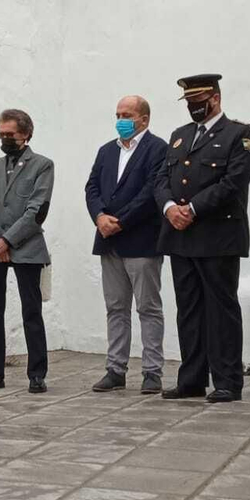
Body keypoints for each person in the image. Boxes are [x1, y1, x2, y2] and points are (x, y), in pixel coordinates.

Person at [154, 74, 250, 403]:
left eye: (198, 102)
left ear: (215, 98)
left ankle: (227, 380)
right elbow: (161, 179)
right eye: (189, 103)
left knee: (221, 309)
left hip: (217, 235)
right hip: (180, 237)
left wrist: (193, 209)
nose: (193, 108)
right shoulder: (179, 136)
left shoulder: (239, 134)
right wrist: (170, 208)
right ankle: (192, 379)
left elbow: (233, 182)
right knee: (189, 309)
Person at [84, 95, 168, 394]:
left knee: (148, 308)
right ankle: (115, 368)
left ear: (143, 119)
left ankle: (152, 371)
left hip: (142, 240)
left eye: (127, 114)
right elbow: (92, 187)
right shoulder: (107, 151)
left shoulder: (158, 148)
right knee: (116, 308)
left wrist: (120, 220)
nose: (121, 119)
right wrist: (99, 217)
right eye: (118, 113)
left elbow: (151, 191)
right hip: (109, 241)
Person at [0, 109, 55, 393]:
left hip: (26, 246)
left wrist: (8, 241)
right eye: (2, 134)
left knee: (31, 311)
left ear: (26, 134)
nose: (5, 139)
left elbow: (37, 209)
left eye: (11, 135)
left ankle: (37, 374)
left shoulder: (42, 165)